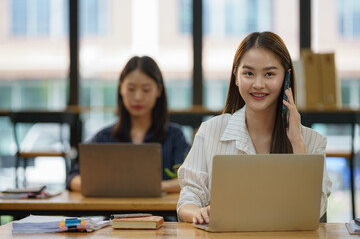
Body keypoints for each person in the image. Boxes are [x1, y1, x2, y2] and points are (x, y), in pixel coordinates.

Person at [176, 31, 332, 223]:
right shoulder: (210, 131)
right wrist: (198, 213)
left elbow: (315, 211)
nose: (258, 84)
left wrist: (297, 143)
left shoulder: (312, 141)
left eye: (269, 74)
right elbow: (189, 197)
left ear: (287, 78)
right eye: (248, 73)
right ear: (235, 76)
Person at [68, 56, 189, 193]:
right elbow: (73, 178)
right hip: (113, 213)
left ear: (159, 91)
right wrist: (108, 187)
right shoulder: (104, 137)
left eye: (146, 90)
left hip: (162, 214)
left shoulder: (174, 137)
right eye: (131, 89)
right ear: (121, 89)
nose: (137, 97)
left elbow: (190, 180)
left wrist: (148, 188)